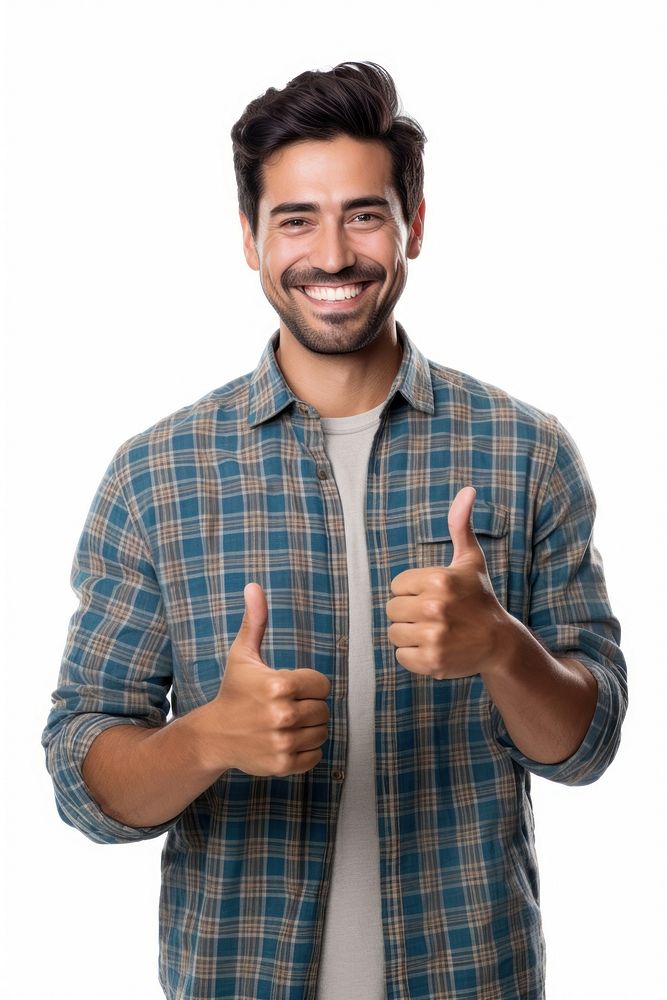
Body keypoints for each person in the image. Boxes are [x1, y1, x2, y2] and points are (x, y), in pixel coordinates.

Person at [42, 61, 627, 1000]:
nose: (333, 254)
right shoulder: (157, 475)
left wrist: (501, 649)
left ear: (414, 225)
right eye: (295, 219)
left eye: (363, 213)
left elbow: (588, 746)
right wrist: (205, 740)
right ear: (249, 238)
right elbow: (84, 781)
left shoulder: (527, 453)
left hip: (473, 978)